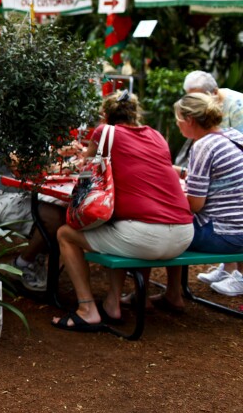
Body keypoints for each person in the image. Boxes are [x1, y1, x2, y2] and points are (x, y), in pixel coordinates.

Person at [50, 91, 193, 331]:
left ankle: (87, 309)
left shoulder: (104, 132)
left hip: (145, 236)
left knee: (65, 233)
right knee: (118, 227)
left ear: (105, 115)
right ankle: (112, 303)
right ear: (135, 114)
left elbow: (87, 167)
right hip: (183, 235)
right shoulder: (157, 136)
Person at [163, 93, 243, 299]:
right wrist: (179, 172)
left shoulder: (203, 146)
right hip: (238, 230)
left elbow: (195, 205)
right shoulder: (233, 135)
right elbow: (219, 179)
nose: (178, 124)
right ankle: (174, 293)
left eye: (178, 119)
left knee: (160, 231)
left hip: (225, 235)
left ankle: (168, 294)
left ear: (189, 120)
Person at [0, 121, 67, 292]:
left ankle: (34, 259)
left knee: (66, 212)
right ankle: (22, 264)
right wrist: (57, 156)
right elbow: (16, 164)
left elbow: (42, 165)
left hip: (23, 194)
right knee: (53, 217)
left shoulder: (32, 124)